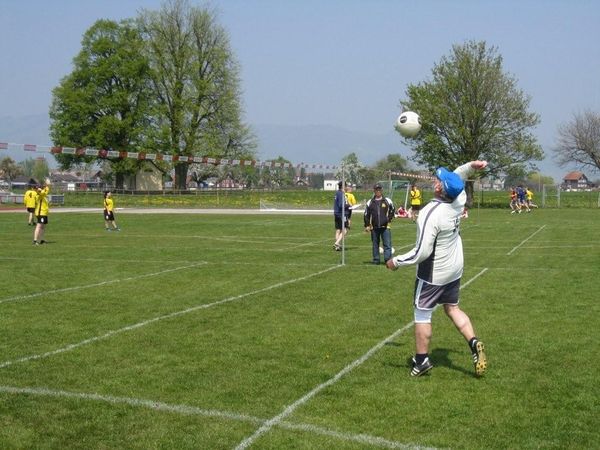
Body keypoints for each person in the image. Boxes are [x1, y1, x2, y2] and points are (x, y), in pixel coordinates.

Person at [386, 161, 488, 377]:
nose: (436, 180)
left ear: (440, 188)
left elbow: (421, 252)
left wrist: (396, 262)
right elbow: (458, 177)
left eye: (439, 180)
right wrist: (472, 165)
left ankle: (422, 361)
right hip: (454, 267)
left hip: (434, 272)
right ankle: (474, 342)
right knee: (452, 308)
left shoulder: (430, 213)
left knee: (422, 313)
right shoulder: (458, 199)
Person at [364, 183, 394, 264]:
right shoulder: (370, 202)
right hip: (374, 227)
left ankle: (387, 260)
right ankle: (376, 260)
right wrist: (367, 225)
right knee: (375, 244)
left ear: (382, 190)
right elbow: (366, 214)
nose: (378, 191)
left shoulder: (387, 200)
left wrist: (388, 219)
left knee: (387, 244)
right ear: (374, 191)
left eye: (379, 189)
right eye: (376, 190)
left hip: (385, 227)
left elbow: (392, 210)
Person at [333, 181, 347, 251]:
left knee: (338, 230)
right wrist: (348, 206)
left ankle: (337, 247)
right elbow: (341, 205)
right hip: (341, 214)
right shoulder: (341, 194)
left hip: (336, 213)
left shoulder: (337, 193)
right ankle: (337, 243)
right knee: (345, 230)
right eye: (346, 186)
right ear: (343, 186)